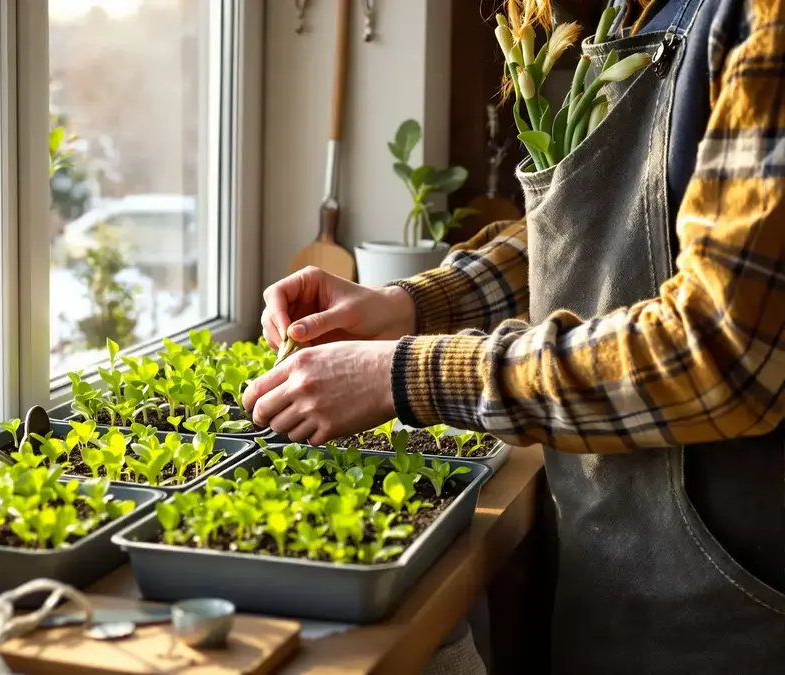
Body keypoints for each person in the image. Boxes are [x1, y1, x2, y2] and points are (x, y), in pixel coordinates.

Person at [244, 1, 785, 673]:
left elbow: (723, 352)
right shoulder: (634, 12)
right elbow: (605, 230)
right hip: (619, 568)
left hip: (741, 609)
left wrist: (405, 374)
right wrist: (408, 305)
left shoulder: (763, 22)